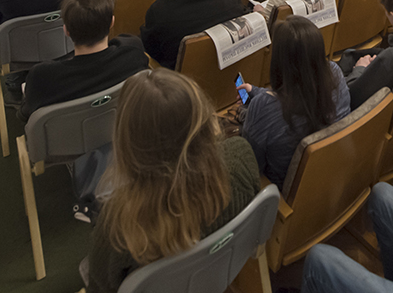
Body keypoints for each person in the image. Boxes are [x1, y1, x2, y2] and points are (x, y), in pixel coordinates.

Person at [83, 69, 260, 293]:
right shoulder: (240, 156)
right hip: (221, 273)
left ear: (128, 145)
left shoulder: (116, 228)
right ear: (203, 121)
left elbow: (99, 287)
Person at [238, 16, 350, 186]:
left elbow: (252, 165)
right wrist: (256, 92)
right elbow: (302, 92)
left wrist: (248, 114)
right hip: (332, 175)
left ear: (278, 59)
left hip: (283, 193)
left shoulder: (262, 108)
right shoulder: (335, 74)